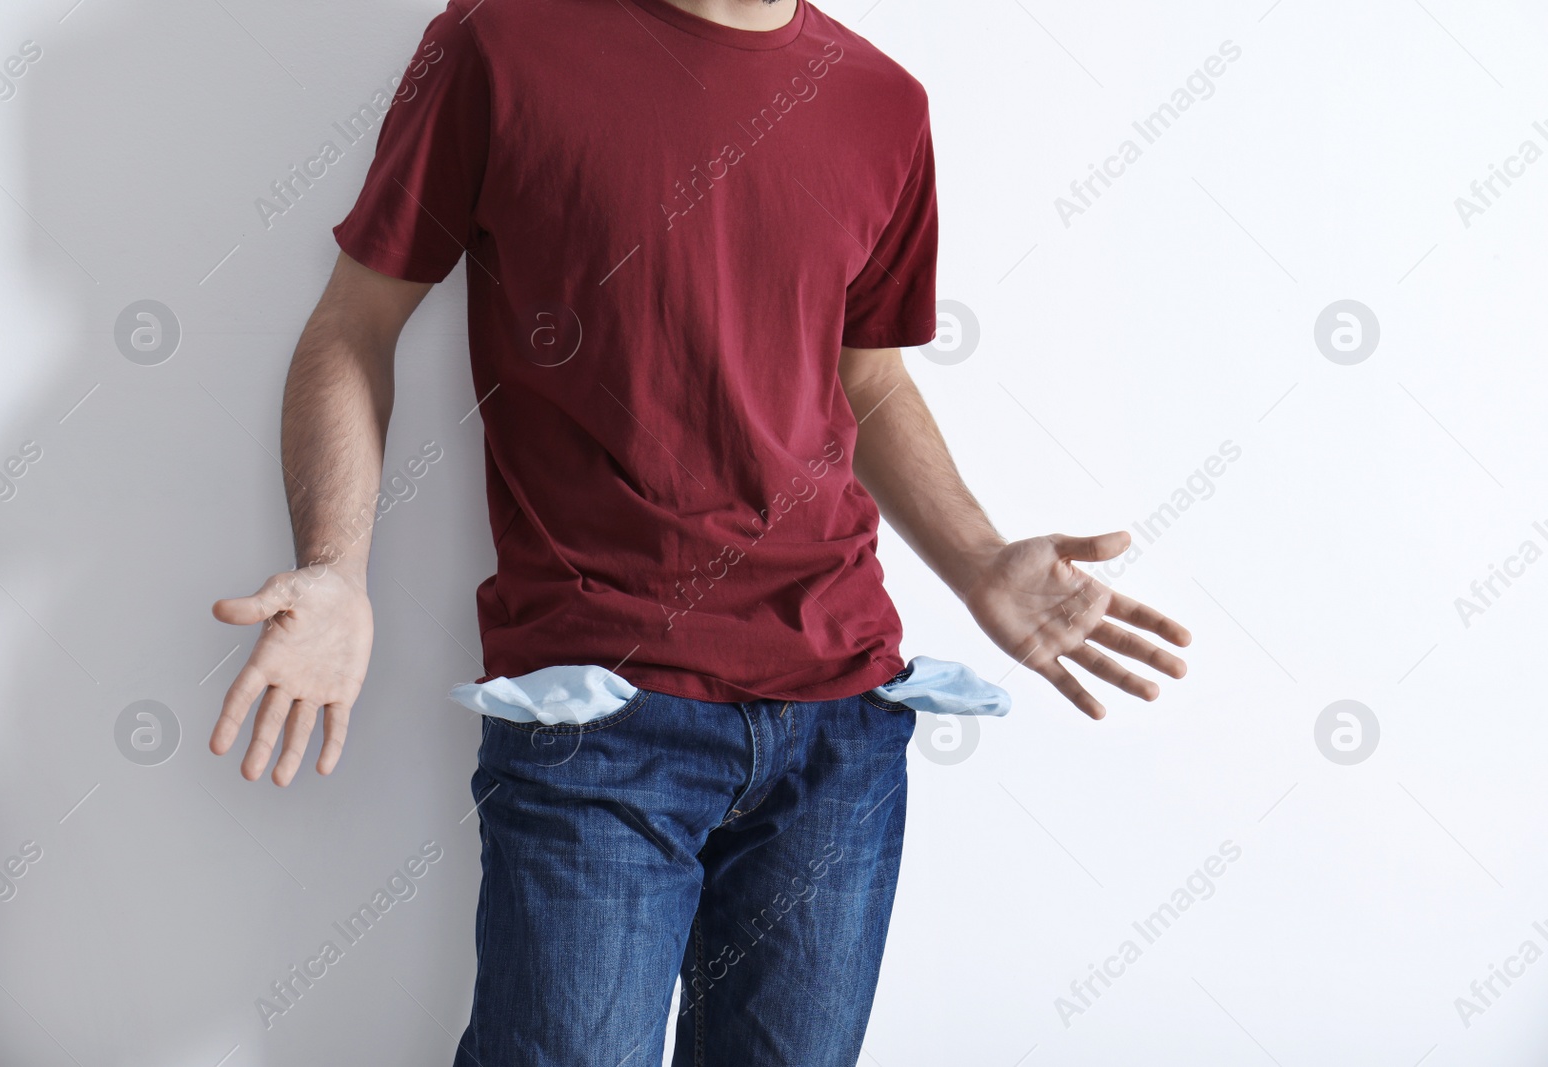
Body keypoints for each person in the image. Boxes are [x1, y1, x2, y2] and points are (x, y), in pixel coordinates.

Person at [207, 0, 1192, 1063]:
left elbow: (865, 376)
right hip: (600, 715)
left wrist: (978, 558)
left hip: (840, 725)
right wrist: (336, 569)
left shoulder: (881, 102)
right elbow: (355, 322)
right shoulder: (500, 41)